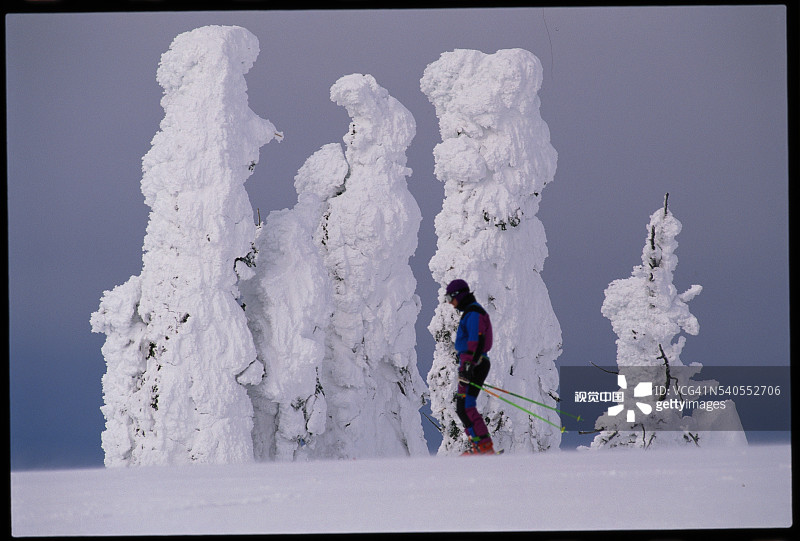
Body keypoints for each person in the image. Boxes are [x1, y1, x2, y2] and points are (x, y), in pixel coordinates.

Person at [445, 279, 495, 455]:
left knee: (466, 405)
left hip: (475, 363)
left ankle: (484, 447)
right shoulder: (468, 312)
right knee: (462, 406)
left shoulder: (473, 313)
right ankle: (477, 445)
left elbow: (475, 340)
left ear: (460, 295)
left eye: (451, 297)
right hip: (469, 364)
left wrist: (468, 366)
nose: (450, 302)